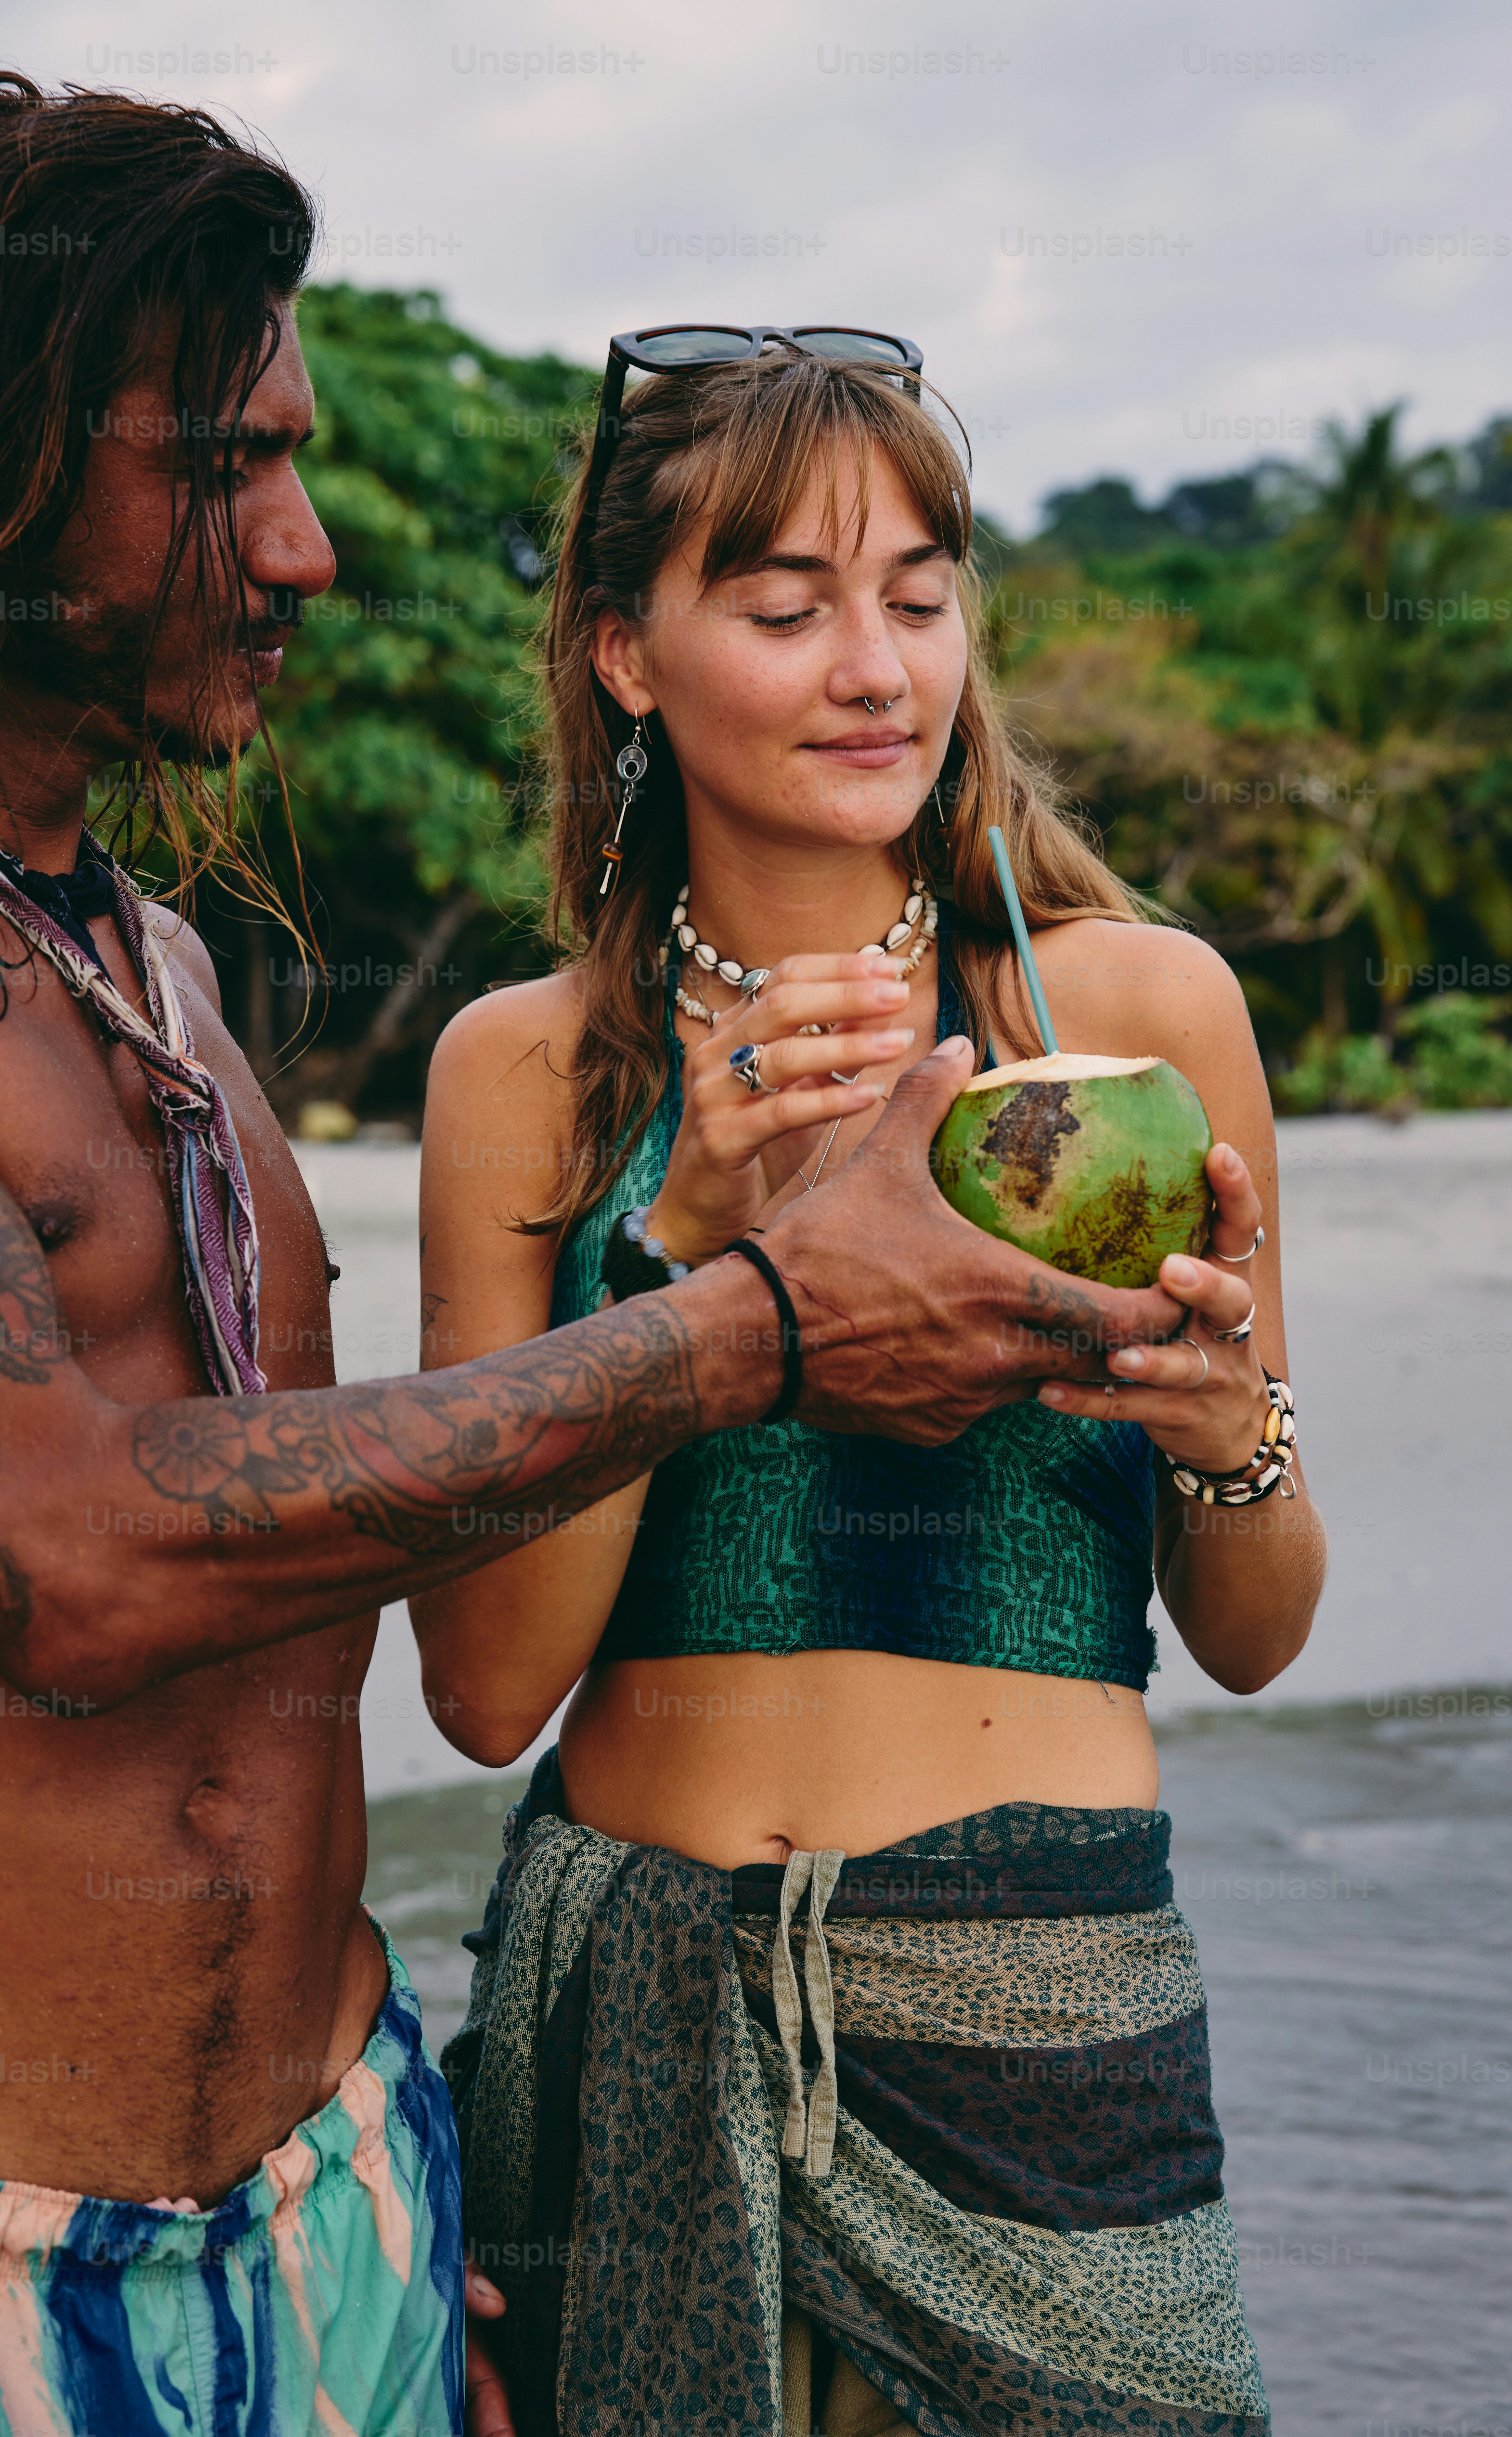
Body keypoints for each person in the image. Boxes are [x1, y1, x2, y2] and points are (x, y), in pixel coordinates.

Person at [0, 95, 1180, 2437]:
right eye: (226, 465)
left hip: (352, 2194)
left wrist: (432, 2191)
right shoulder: (503, 1069)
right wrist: (743, 1310)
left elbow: (305, 1653)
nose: (310, 549)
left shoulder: (148, 967)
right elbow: (75, 1565)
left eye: (924, 595)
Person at [415, 330, 1327, 2436]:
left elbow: (1261, 1634)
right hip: (627, 1997)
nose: (876, 668)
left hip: (1034, 2000)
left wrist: (1223, 1435)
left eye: (919, 596)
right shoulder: (533, 1076)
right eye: (785, 605)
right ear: (627, 654)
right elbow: (479, 1693)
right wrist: (680, 1275)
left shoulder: (1123, 1012)